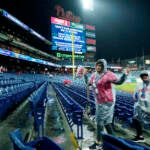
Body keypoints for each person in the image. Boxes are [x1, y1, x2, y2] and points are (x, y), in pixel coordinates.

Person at [87, 59, 130, 149]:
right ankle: (115, 141)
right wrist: (84, 75)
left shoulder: (108, 74)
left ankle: (98, 142)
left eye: (100, 65)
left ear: (104, 66)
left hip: (107, 101)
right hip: (99, 101)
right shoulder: (94, 75)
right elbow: (89, 84)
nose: (98, 67)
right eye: (97, 65)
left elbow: (119, 82)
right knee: (106, 122)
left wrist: (125, 74)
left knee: (99, 122)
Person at [132, 71, 150, 142]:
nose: (144, 77)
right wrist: (134, 98)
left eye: (146, 76)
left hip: (149, 107)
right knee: (135, 119)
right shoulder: (139, 85)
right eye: (143, 76)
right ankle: (140, 136)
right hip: (141, 106)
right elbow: (134, 94)